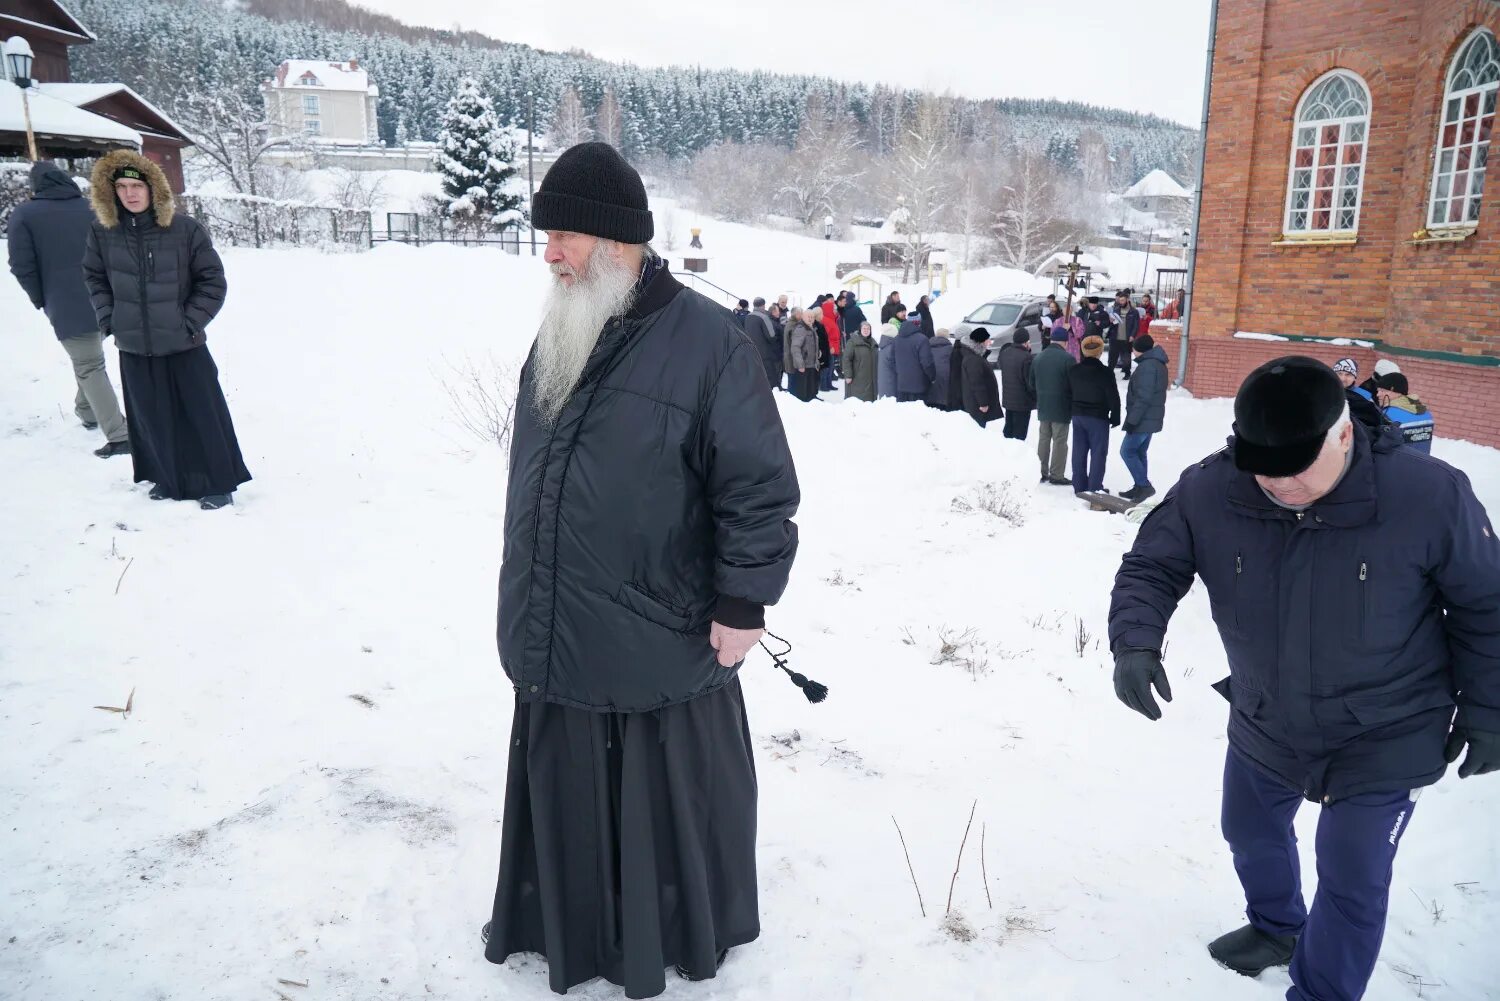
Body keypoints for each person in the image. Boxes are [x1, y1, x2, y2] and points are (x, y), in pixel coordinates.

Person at [483, 143, 801, 999]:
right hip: (558, 619)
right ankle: (569, 924)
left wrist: (744, 599)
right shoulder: (566, 323)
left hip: (657, 632)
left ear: (618, 241)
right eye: (545, 233)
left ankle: (663, 929)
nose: (547, 251)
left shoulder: (712, 345)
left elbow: (760, 490)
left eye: (563, 235)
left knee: (652, 796)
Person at [1107, 356, 1499, 1001]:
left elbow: (1486, 603)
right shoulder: (1213, 487)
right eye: (1264, 469)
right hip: (1268, 714)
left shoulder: (1428, 494)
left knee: (1352, 874)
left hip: (1386, 729)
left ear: (1343, 434)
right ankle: (1277, 927)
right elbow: (1152, 565)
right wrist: (1135, 642)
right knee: (1250, 831)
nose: (1278, 484)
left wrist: (1490, 709)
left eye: (1294, 469)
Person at [82, 150, 248, 510]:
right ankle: (166, 477)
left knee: (202, 415)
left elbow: (212, 281)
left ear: (152, 187)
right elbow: (94, 277)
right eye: (122, 186)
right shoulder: (103, 232)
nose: (130, 194)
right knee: (151, 418)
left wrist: (189, 322)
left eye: (137, 185)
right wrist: (109, 318)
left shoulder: (185, 229)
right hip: (134, 345)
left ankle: (218, 483)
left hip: (183, 343)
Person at [7, 160, 131, 458]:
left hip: (64, 302)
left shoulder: (24, 215)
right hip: (107, 297)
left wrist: (41, 298)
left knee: (89, 365)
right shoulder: (91, 209)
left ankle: (119, 435)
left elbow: (22, 266)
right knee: (89, 359)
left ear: (35, 186)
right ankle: (86, 410)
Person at [1066, 335, 1119, 495]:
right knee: (1098, 453)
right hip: (1098, 417)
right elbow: (1113, 397)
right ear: (1100, 351)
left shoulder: (1073, 370)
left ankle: (1079, 485)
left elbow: (1068, 392)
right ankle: (1095, 487)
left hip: (1078, 416)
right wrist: (1115, 417)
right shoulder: (1105, 372)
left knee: (1079, 451)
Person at [1118, 334, 1168, 501]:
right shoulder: (1155, 363)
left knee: (1127, 451)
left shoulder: (1148, 367)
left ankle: (1144, 486)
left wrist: (1132, 420)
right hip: (1150, 417)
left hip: (1143, 418)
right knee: (1139, 452)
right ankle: (1139, 486)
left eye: (1134, 348)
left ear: (1140, 350)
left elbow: (1144, 397)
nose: (1132, 350)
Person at [1029, 327, 1075, 485]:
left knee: (1043, 439)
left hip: (1043, 405)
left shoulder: (1038, 357)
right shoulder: (1068, 359)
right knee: (1059, 441)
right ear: (1065, 342)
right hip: (1062, 406)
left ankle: (1040, 471)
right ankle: (1056, 474)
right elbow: (1073, 384)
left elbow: (1031, 383)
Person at [1375, 373, 1435, 453]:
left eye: (1383, 391)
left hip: (1396, 464)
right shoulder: (1426, 414)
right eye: (1378, 391)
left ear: (1397, 391)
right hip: (1422, 463)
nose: (1378, 394)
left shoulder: (1387, 415)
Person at [957, 328, 1001, 427]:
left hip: (975, 402)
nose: (990, 342)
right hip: (976, 405)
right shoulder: (973, 360)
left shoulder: (974, 355)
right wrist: (983, 403)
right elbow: (977, 383)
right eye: (988, 340)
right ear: (981, 341)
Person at [998, 329, 1036, 440]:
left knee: (1008, 431)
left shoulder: (1005, 353)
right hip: (1022, 403)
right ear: (1025, 342)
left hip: (1008, 400)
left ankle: (1005, 454)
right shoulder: (1026, 357)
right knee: (1019, 435)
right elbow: (1029, 382)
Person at [1331, 357, 1386, 433]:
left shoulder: (1365, 396)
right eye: (1339, 374)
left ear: (1355, 377)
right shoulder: (1326, 390)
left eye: (1348, 375)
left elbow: (1376, 419)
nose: (1343, 378)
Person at [892, 315, 937, 403]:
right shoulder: (922, 339)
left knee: (904, 415)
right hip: (919, 387)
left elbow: (893, 361)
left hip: (902, 386)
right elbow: (927, 363)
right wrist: (933, 377)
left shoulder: (896, 340)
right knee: (918, 415)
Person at [786, 308, 821, 402]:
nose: (810, 319)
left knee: (811, 388)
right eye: (808, 317)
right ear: (803, 317)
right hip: (804, 365)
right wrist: (800, 365)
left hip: (811, 364)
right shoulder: (801, 329)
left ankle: (812, 402)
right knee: (803, 392)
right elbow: (795, 348)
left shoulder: (810, 328)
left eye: (812, 317)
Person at [748, 297, 782, 389]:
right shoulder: (763, 317)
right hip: (765, 352)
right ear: (763, 305)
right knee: (768, 377)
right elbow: (771, 336)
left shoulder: (748, 316)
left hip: (752, 350)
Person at [843, 320, 878, 402]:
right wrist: (848, 375)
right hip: (856, 378)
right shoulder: (852, 342)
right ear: (860, 330)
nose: (866, 331)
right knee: (857, 401)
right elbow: (846, 359)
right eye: (864, 329)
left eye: (868, 329)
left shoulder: (873, 343)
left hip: (870, 378)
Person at [1108, 290, 1139, 380]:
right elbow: (1112, 323)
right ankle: (1109, 372)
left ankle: (1127, 373)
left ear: (1127, 300)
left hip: (1126, 337)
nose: (1121, 302)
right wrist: (1111, 321)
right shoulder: (1116, 309)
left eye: (1123, 300)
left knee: (1126, 357)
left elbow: (1136, 325)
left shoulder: (1134, 312)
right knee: (1112, 356)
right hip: (1115, 337)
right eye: (1119, 300)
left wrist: (1132, 335)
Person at [878, 304, 904, 399]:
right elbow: (896, 366)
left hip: (883, 384)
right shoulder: (891, 348)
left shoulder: (883, 346)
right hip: (890, 383)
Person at [925, 327, 955, 410]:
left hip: (930, 377)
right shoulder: (950, 349)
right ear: (947, 337)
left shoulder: (927, 346)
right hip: (945, 379)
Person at [819, 294, 842, 391]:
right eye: (834, 309)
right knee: (827, 368)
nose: (835, 311)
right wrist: (831, 347)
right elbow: (826, 337)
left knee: (831, 367)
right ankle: (824, 385)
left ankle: (829, 383)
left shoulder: (832, 320)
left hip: (834, 347)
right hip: (830, 348)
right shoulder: (826, 321)